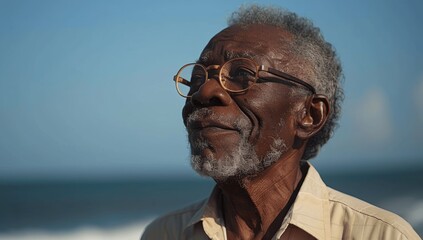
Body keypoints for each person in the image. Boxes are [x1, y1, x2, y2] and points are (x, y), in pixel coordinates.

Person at [141, 5, 420, 240]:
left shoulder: (381, 235)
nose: (204, 92)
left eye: (241, 74)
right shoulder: (165, 234)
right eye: (198, 76)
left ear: (309, 115)